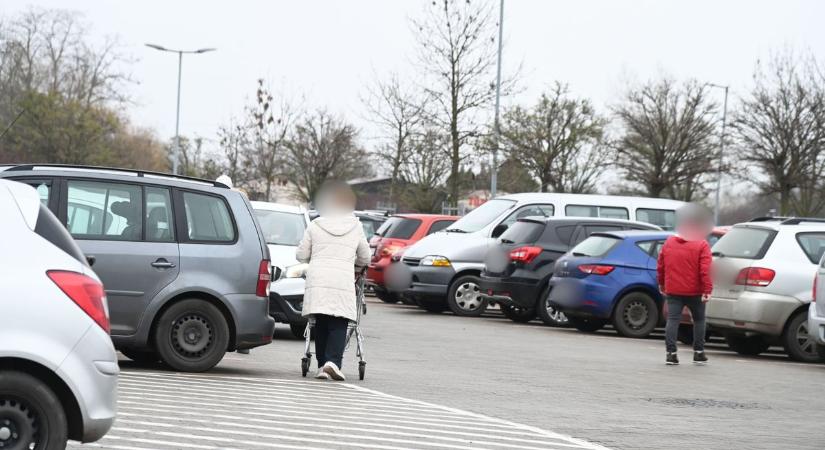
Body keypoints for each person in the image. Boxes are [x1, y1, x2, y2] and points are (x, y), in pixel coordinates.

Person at [296, 180, 371, 381]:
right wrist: (354, 265)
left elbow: (301, 255)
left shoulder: (315, 225)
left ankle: (322, 365)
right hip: (342, 279)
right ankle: (333, 363)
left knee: (320, 321)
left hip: (318, 278)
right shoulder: (355, 227)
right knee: (339, 321)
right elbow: (365, 257)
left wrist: (315, 256)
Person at [657, 204, 713, 366]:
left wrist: (661, 283)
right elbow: (705, 270)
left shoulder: (669, 243)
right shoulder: (702, 245)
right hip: (695, 291)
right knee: (699, 320)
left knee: (673, 320)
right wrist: (707, 289)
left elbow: (661, 266)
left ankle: (671, 354)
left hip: (673, 289)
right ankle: (699, 353)